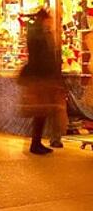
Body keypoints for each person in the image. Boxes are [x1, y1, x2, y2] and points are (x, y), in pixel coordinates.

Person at [19, 9, 65, 156]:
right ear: (44, 19)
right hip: (40, 77)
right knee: (40, 111)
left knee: (42, 111)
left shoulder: (39, 33)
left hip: (41, 76)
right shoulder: (39, 35)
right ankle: (36, 143)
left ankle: (37, 142)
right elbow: (42, 57)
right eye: (49, 19)